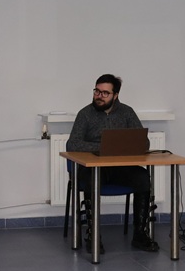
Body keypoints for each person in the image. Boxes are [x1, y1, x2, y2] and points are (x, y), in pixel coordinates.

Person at [66, 74, 160, 253]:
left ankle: (140, 234)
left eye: (105, 93)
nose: (99, 96)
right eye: (97, 91)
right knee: (91, 179)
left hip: (119, 168)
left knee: (142, 177)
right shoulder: (85, 114)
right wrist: (102, 147)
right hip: (92, 168)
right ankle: (93, 235)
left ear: (115, 95)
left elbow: (144, 143)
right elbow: (73, 144)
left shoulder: (127, 112)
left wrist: (119, 147)